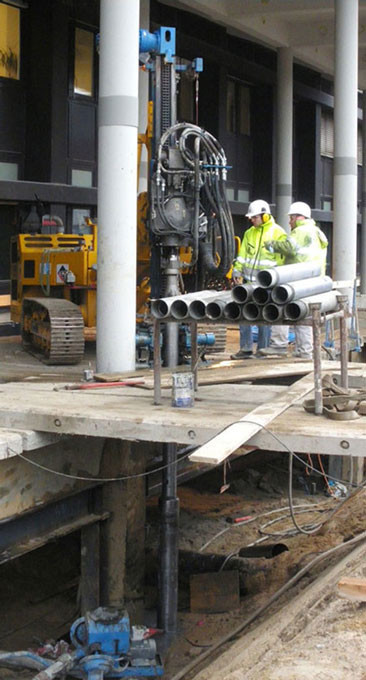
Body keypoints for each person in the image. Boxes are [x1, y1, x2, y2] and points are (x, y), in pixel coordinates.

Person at [259, 201, 328, 359]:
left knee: (278, 305)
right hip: (313, 282)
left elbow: (289, 247)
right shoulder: (316, 231)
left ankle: (278, 345)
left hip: (298, 281)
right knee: (303, 314)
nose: (289, 222)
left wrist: (272, 245)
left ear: (299, 217)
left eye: (291, 218)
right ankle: (304, 352)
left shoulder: (301, 231)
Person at [230, 199, 287, 359]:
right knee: (244, 313)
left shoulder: (278, 233)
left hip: (266, 285)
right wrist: (237, 272)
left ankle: (262, 349)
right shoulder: (249, 233)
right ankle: (246, 348)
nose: (252, 220)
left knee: (263, 316)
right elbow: (242, 256)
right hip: (248, 282)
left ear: (265, 215)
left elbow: (281, 261)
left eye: (255, 217)